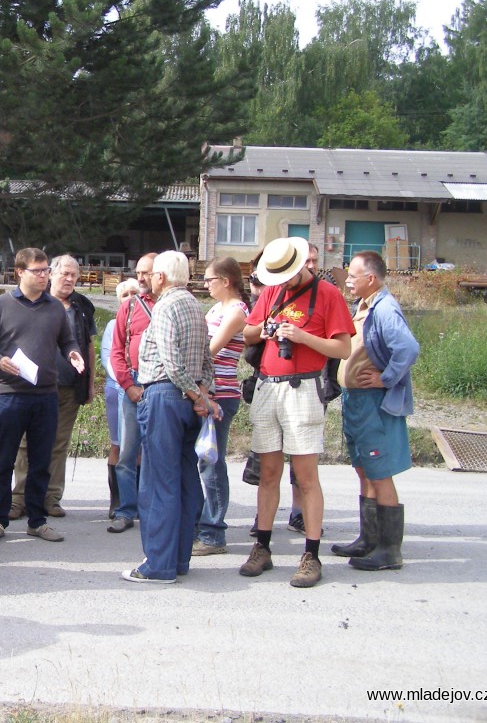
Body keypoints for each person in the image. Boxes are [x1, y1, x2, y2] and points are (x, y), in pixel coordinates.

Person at [240, 237, 355, 588]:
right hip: (267, 386)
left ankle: (311, 554)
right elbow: (247, 334)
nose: (280, 282)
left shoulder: (328, 295)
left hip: (303, 388)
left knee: (306, 476)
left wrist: (302, 337)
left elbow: (343, 347)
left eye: (285, 275)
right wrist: (266, 330)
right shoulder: (272, 291)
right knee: (268, 472)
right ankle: (262, 546)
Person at [0, 247, 85, 545]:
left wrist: (73, 353)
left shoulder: (54, 308)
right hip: (11, 394)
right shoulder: (1, 305)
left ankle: (37, 521)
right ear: (20, 272)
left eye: (46, 270)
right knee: (5, 460)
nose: (44, 276)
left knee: (41, 460)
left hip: (46, 395)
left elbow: (67, 340)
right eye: (38, 271)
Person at [122, 251, 217, 583]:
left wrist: (195, 393)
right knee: (184, 479)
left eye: (152, 274)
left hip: (165, 395)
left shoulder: (164, 307)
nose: (149, 279)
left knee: (158, 483)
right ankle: (178, 559)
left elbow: (171, 361)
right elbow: (206, 359)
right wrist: (203, 394)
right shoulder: (194, 305)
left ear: (161, 276)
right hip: (187, 401)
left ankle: (158, 565)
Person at [333, 250, 419, 571]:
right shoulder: (365, 305)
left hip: (374, 405)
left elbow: (408, 348)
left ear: (371, 279)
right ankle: (369, 540)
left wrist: (386, 378)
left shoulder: (385, 309)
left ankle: (389, 551)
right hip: (356, 401)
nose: (348, 280)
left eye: (353, 275)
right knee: (364, 470)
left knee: (380, 473)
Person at [9, 254, 96, 519]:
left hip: (69, 388)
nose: (69, 279)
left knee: (58, 444)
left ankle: (51, 498)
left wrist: (90, 383)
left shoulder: (82, 306)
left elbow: (88, 346)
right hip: (32, 387)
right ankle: (19, 499)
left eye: (74, 275)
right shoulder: (36, 303)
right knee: (26, 444)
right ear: (50, 274)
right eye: (64, 274)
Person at [193, 257, 249, 556]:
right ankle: (199, 525)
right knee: (199, 460)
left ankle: (214, 533)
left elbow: (209, 351)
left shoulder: (237, 311)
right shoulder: (216, 308)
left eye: (210, 279)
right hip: (205, 392)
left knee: (211, 462)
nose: (206, 284)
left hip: (222, 394)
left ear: (226, 281)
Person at [108, 253, 157, 533]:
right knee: (127, 452)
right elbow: (117, 351)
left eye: (146, 273)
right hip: (133, 384)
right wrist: (128, 385)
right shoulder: (129, 307)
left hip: (162, 386)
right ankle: (125, 510)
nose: (140, 278)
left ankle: (153, 510)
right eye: (138, 272)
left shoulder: (169, 305)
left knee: (157, 452)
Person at [101, 279, 139, 519]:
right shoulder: (113, 324)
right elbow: (108, 358)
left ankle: (136, 498)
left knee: (139, 448)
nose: (129, 297)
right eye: (125, 294)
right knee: (118, 445)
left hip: (141, 389)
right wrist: (126, 383)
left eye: (134, 292)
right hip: (118, 390)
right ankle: (117, 500)